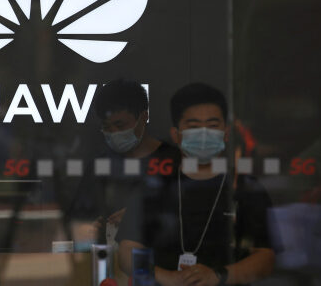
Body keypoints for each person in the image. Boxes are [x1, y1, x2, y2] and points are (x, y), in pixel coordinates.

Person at [117, 83, 275, 286]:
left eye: (212, 125)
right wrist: (168, 278)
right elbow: (127, 251)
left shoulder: (245, 188)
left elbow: (265, 258)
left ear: (226, 133)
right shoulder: (154, 186)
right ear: (176, 135)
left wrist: (218, 277)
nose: (203, 134)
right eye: (193, 126)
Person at [68, 79, 181, 245]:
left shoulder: (173, 160)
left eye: (120, 125)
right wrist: (94, 227)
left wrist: (138, 214)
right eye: (107, 127)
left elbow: (183, 214)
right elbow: (80, 216)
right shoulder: (101, 163)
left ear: (143, 118)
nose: (114, 133)